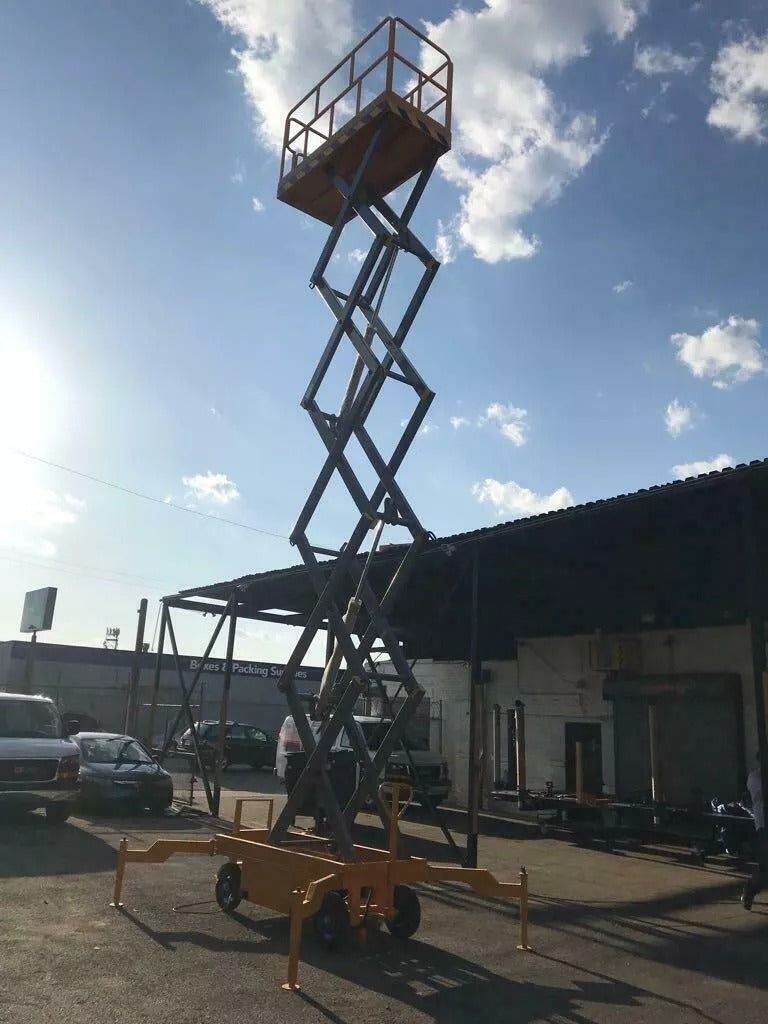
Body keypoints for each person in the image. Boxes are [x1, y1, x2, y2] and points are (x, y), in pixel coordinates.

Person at [741, 753, 766, 910]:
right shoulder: (755, 777)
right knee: (766, 867)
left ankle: (750, 890)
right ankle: (749, 890)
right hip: (764, 825)